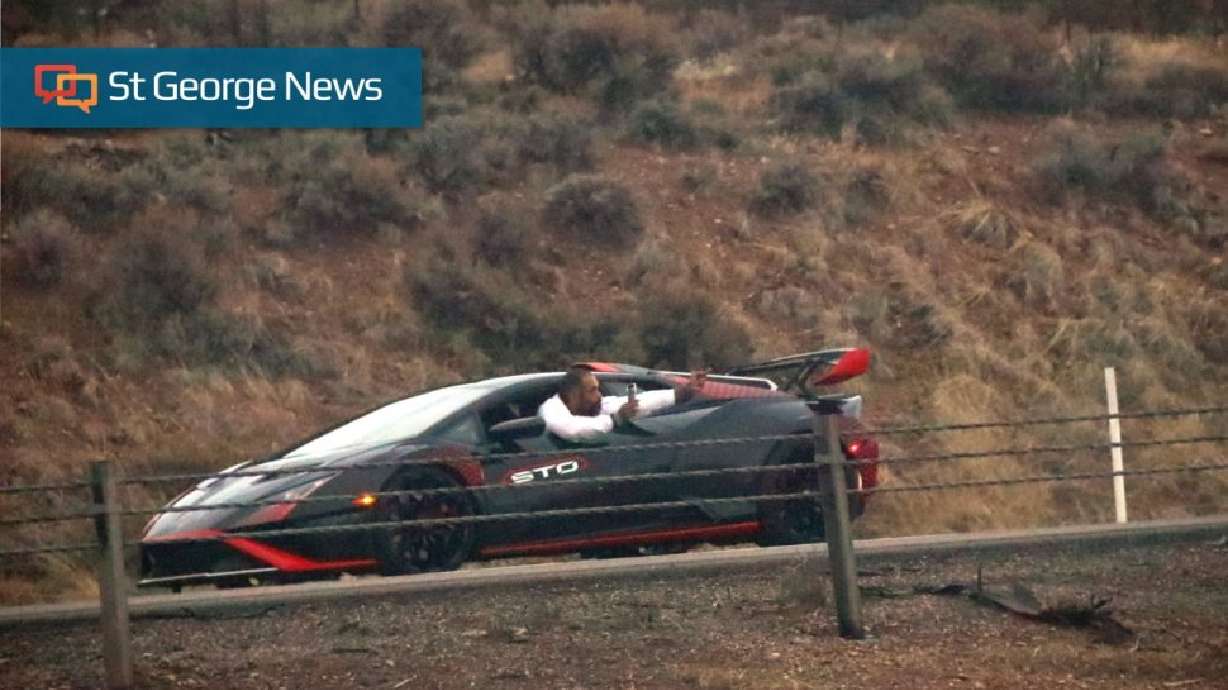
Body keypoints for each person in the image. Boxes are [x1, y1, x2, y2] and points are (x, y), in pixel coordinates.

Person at [539, 365, 707, 441]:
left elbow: (639, 403)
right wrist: (615, 419)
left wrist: (682, 393)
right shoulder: (551, 409)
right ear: (574, 395)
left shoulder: (598, 405)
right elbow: (570, 429)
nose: (599, 395)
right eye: (592, 390)